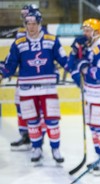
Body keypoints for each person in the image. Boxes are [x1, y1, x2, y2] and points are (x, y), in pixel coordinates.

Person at [0, 9, 68, 164]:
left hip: (48, 88)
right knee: (32, 121)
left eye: (34, 23)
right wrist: (1, 73)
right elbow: (10, 64)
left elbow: (64, 60)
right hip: (26, 89)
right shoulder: (19, 43)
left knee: (52, 121)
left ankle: (55, 149)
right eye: (28, 24)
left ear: (39, 24)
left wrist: (77, 72)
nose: (31, 27)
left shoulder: (51, 40)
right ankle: (36, 148)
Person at [68, 18, 100, 175]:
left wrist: (84, 67)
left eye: (88, 31)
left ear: (97, 32)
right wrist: (74, 53)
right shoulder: (87, 48)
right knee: (94, 130)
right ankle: (99, 158)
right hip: (91, 96)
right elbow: (72, 66)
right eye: (84, 30)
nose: (85, 34)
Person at [7, 4, 42, 151]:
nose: (24, 18)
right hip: (23, 78)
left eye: (26, 15)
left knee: (36, 108)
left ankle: (37, 137)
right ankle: (25, 135)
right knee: (19, 104)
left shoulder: (40, 33)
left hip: (37, 79)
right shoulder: (21, 33)